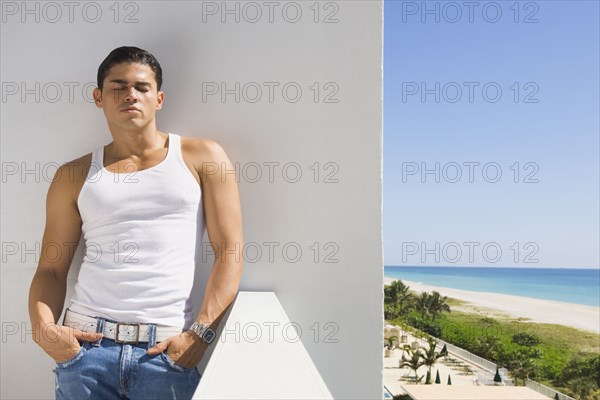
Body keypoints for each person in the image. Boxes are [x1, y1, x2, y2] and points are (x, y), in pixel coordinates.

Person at [28, 46, 244, 399]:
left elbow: (230, 252)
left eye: (142, 87)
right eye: (118, 86)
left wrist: (200, 337)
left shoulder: (202, 157)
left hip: (166, 353)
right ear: (99, 97)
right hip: (85, 352)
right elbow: (51, 269)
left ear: (159, 98)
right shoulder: (73, 174)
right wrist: (44, 330)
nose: (130, 94)